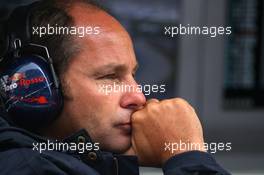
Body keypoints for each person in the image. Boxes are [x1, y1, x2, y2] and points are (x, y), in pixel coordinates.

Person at [0, 0, 230, 174]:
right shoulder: (25, 167)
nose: (139, 97)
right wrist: (187, 155)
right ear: (37, 84)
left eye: (133, 74)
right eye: (110, 77)